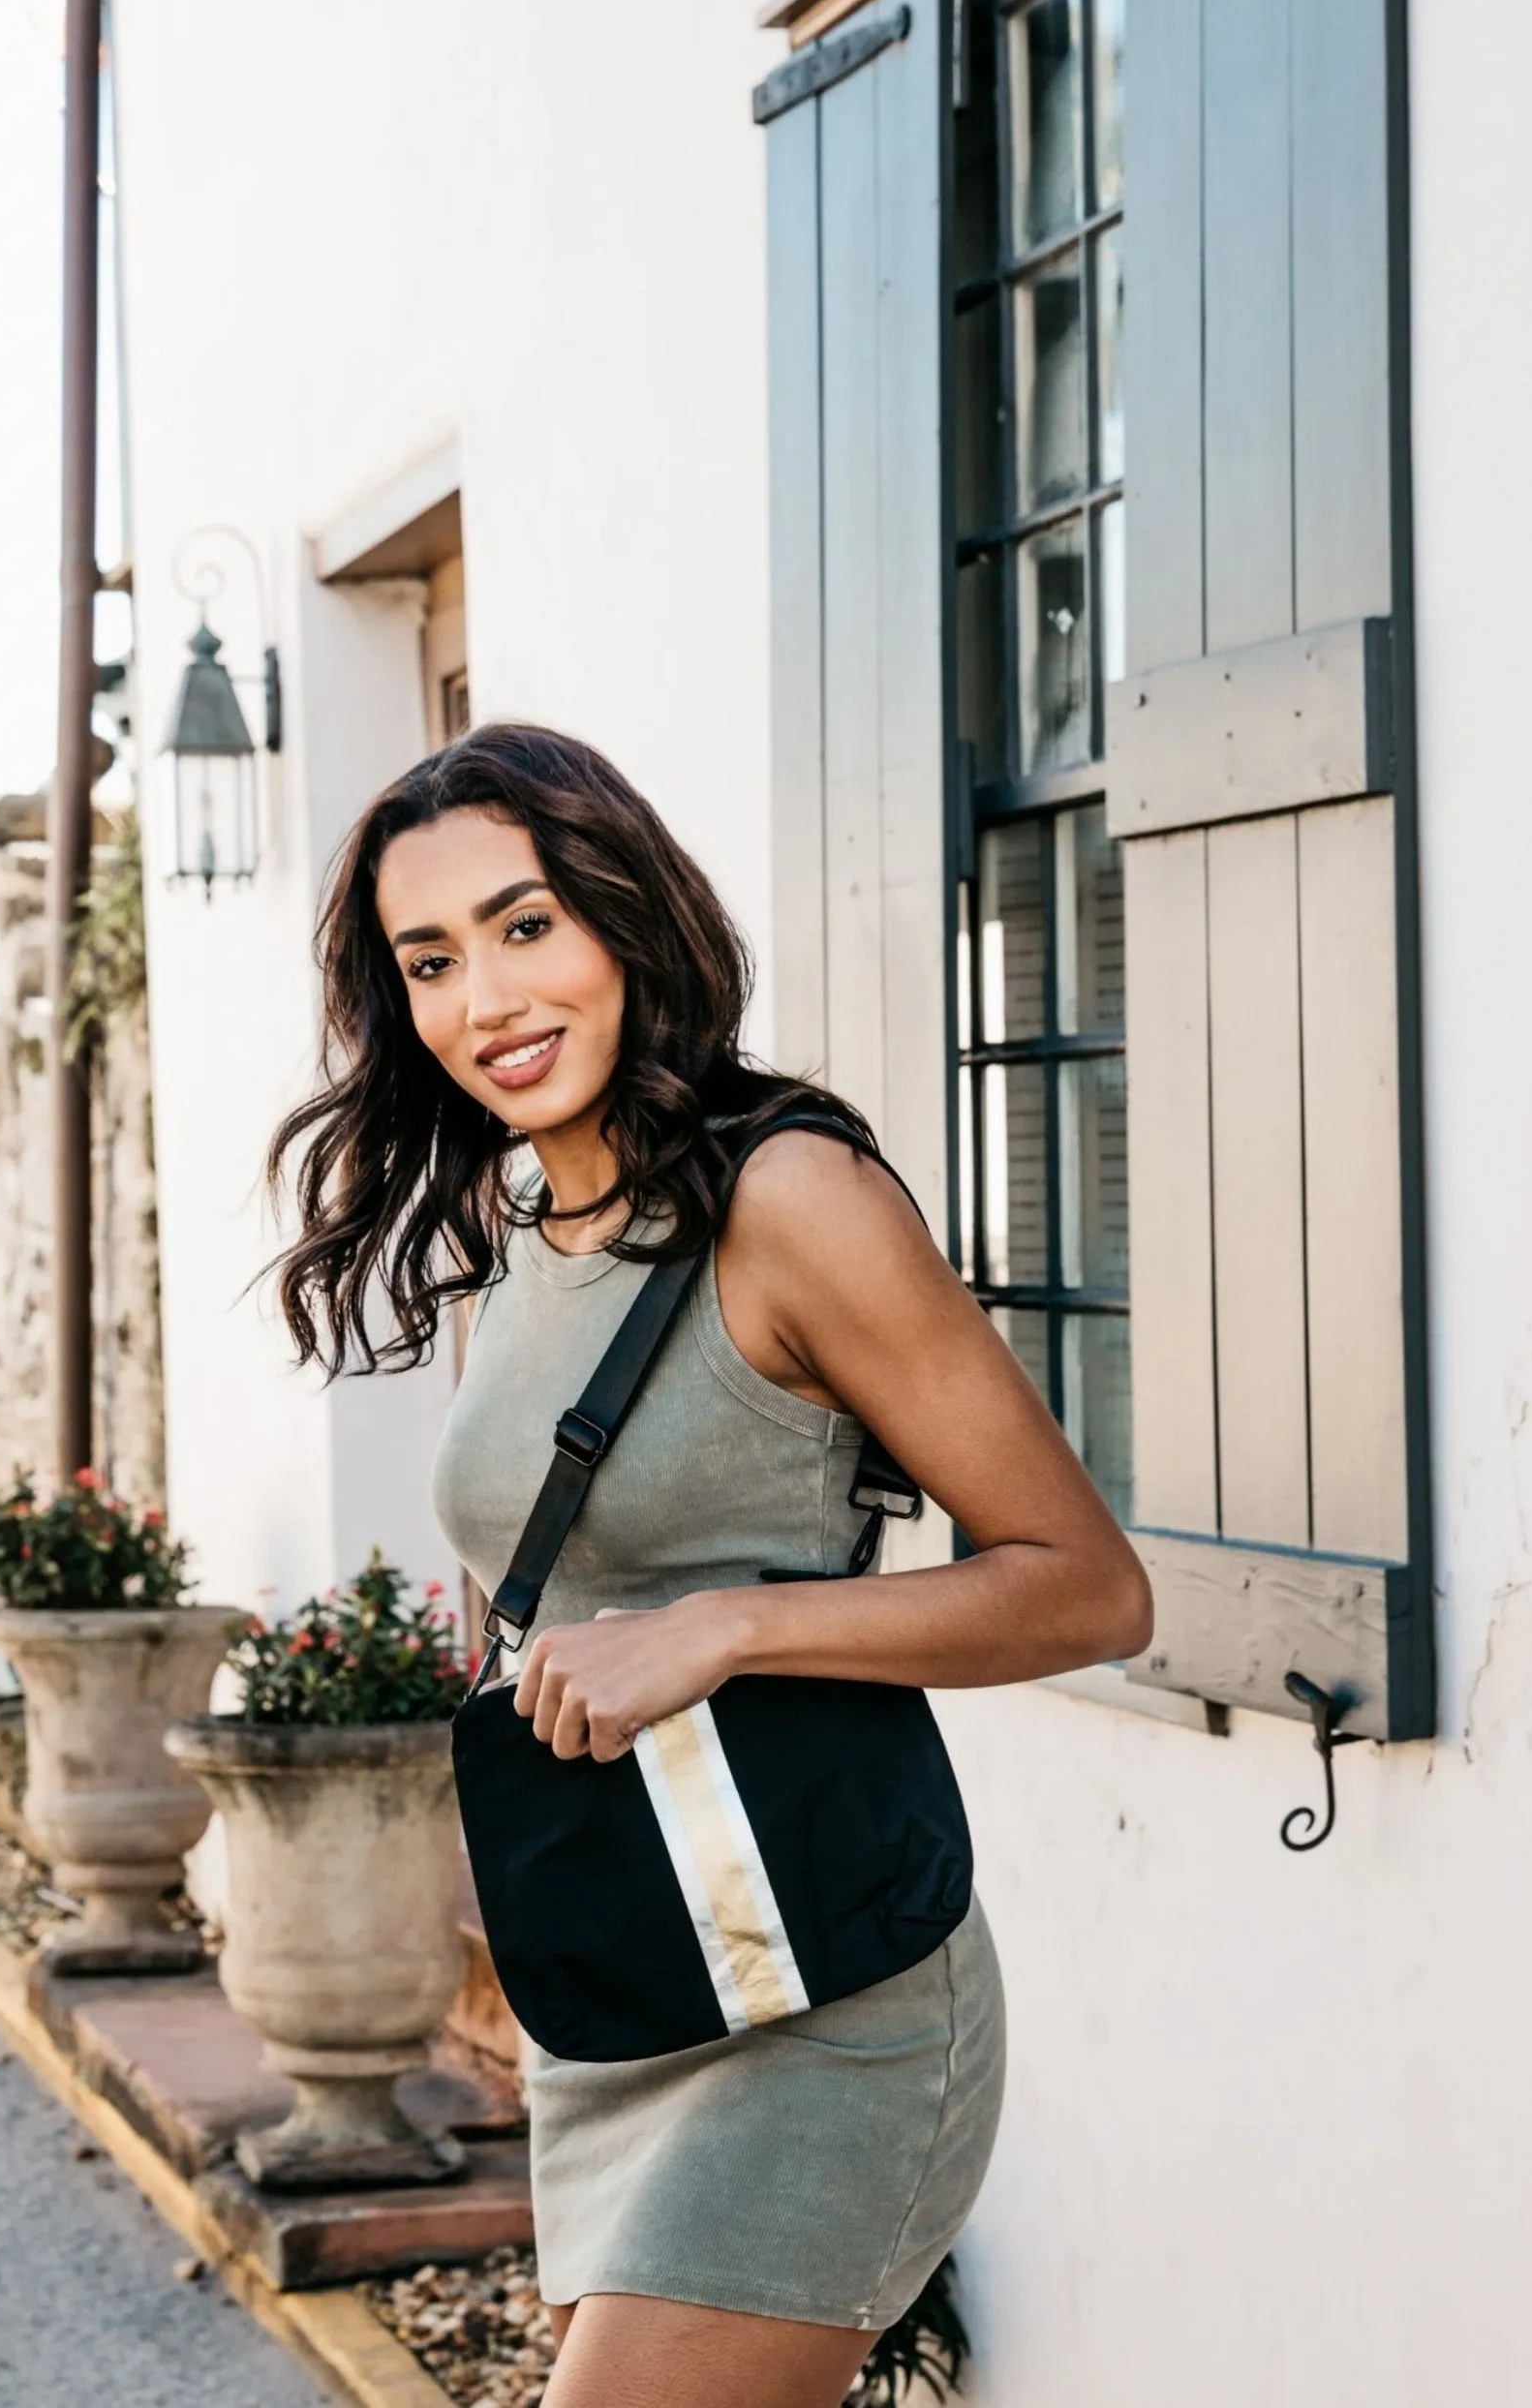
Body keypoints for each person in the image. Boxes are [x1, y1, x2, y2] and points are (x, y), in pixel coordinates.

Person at [268, 722, 1151, 2408]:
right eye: (431, 961)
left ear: (625, 917)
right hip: (638, 1968)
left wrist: (724, 1627)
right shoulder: (515, 1229)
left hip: (830, 2000)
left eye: (527, 927)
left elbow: (1088, 1586)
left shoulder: (792, 1198)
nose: (486, 1001)